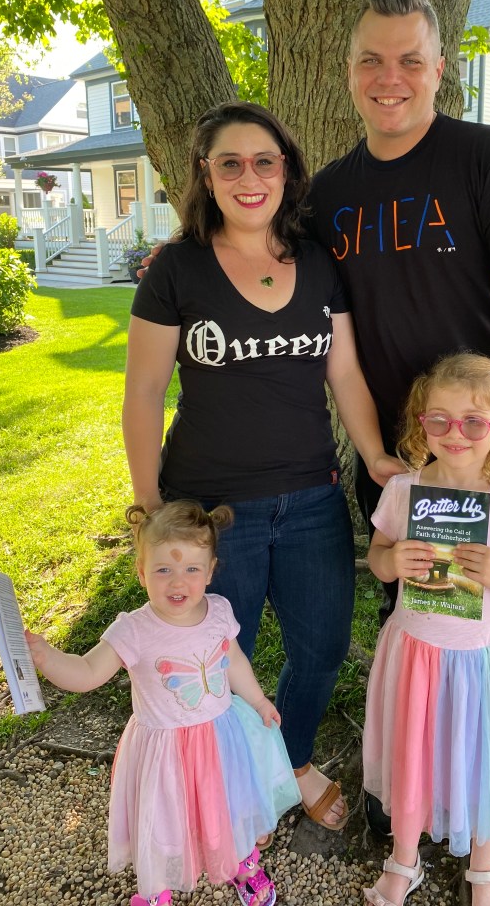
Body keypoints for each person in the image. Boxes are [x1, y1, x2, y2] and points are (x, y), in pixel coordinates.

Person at [307, 0, 490, 873]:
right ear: (349, 71)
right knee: (412, 609)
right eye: (371, 59)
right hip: (403, 457)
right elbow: (307, 306)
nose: (388, 77)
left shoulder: (485, 161)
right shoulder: (328, 192)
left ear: (441, 70)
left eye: (409, 60)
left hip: (485, 446)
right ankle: (414, 771)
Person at [123, 101, 402, 833]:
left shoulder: (317, 263)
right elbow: (146, 392)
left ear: (287, 172)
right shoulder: (174, 269)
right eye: (230, 163)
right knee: (221, 653)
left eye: (264, 161)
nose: (250, 178)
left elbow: (344, 374)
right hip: (213, 508)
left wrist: (373, 453)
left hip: (311, 496)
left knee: (323, 646)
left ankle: (294, 756)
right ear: (205, 176)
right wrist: (151, 506)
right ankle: (224, 778)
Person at [25, 500, 300, 906]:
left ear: (209, 571)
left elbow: (233, 659)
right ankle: (157, 889)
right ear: (141, 572)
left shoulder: (219, 611)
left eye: (192, 569)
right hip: (164, 751)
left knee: (228, 805)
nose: (178, 582)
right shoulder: (133, 629)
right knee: (165, 822)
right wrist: (47, 658)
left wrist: (258, 700)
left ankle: (242, 861)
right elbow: (86, 671)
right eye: (163, 570)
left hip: (221, 741)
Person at [362, 353, 490, 906]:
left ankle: (486, 866)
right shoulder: (404, 491)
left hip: (482, 664)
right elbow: (375, 555)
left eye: (473, 421)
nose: (455, 433)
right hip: (415, 656)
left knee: (480, 758)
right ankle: (404, 858)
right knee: (411, 756)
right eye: (438, 419)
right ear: (421, 421)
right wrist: (392, 562)